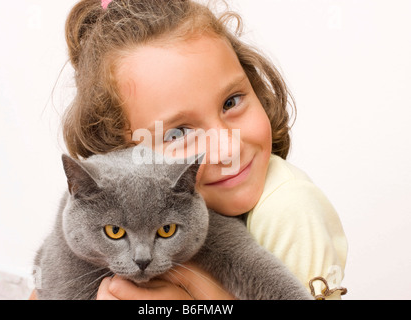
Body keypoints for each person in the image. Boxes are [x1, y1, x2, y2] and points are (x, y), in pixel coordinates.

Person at [32, 0, 347, 300]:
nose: (227, 147)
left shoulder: (288, 210)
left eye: (231, 102)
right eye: (178, 132)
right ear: (122, 150)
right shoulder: (115, 201)